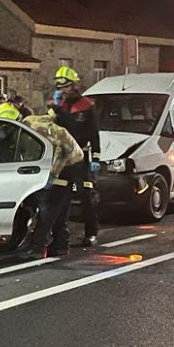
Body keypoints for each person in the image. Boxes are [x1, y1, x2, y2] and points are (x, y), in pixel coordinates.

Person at [18, 114, 84, 259]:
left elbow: (62, 154)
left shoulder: (44, 131)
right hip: (67, 164)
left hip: (69, 166)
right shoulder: (31, 128)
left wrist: (52, 176)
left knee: (48, 208)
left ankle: (37, 248)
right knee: (59, 209)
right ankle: (60, 245)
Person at [50, 65, 101, 246]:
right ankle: (59, 236)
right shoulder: (59, 106)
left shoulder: (86, 106)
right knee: (59, 197)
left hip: (81, 157)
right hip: (64, 158)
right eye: (59, 87)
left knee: (87, 197)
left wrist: (95, 158)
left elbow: (92, 133)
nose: (62, 91)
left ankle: (91, 233)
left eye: (65, 87)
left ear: (73, 86)